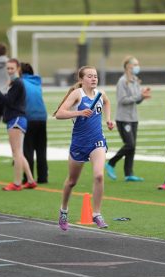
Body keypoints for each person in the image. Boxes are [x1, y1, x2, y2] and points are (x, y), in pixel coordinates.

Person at [54, 66, 114, 230]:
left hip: (97, 141)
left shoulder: (100, 94)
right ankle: (64, 210)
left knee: (99, 175)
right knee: (72, 181)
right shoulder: (77, 94)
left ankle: (96, 214)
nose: (94, 79)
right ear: (81, 79)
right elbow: (59, 114)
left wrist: (109, 119)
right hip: (79, 143)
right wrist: (79, 113)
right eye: (89, 76)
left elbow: (107, 102)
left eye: (95, 76)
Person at [0, 58, 37, 191]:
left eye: (12, 68)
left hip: (17, 119)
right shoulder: (14, 82)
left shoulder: (18, 83)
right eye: (7, 68)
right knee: (19, 153)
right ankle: (30, 180)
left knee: (17, 153)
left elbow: (7, 101)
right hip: (15, 119)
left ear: (18, 68)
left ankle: (17, 183)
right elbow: (8, 100)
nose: (9, 71)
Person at [105, 56, 151, 182]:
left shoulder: (135, 80)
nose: (137, 66)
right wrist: (139, 96)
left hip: (133, 118)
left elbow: (136, 100)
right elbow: (122, 100)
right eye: (135, 64)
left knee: (132, 146)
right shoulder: (122, 81)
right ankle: (111, 163)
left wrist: (142, 96)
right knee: (129, 144)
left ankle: (128, 173)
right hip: (123, 118)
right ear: (128, 66)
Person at [20, 62, 48, 184]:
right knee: (41, 149)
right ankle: (43, 177)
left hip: (29, 117)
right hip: (42, 117)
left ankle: (28, 177)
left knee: (28, 148)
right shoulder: (37, 82)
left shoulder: (20, 83)